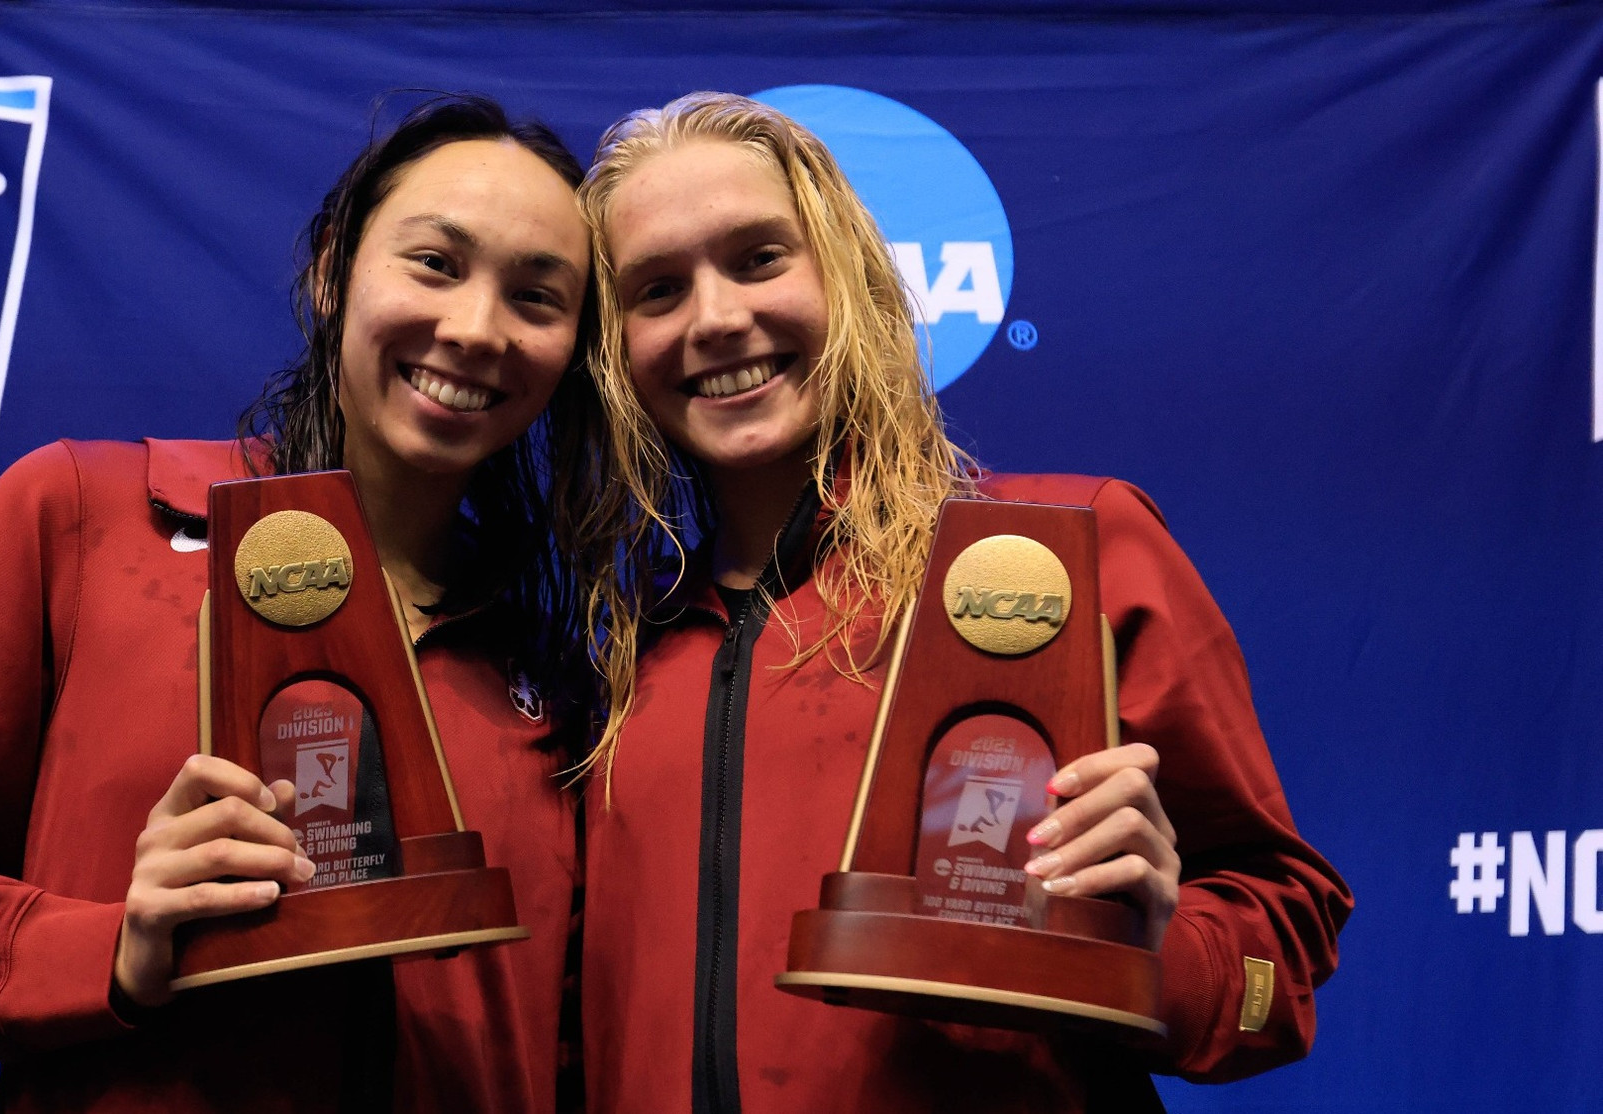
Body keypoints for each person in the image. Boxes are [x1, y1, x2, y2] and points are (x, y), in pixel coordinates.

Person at [0, 94, 601, 1114]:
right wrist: (113, 947)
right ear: (335, 268)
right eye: (435, 263)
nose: (475, 328)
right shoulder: (85, 519)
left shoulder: (559, 674)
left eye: (537, 299)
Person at [569, 91, 1353, 1112]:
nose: (717, 318)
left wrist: (1157, 954)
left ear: (847, 277)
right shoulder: (609, 648)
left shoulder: (1058, 552)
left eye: (760, 259)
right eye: (658, 289)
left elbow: (1281, 930)